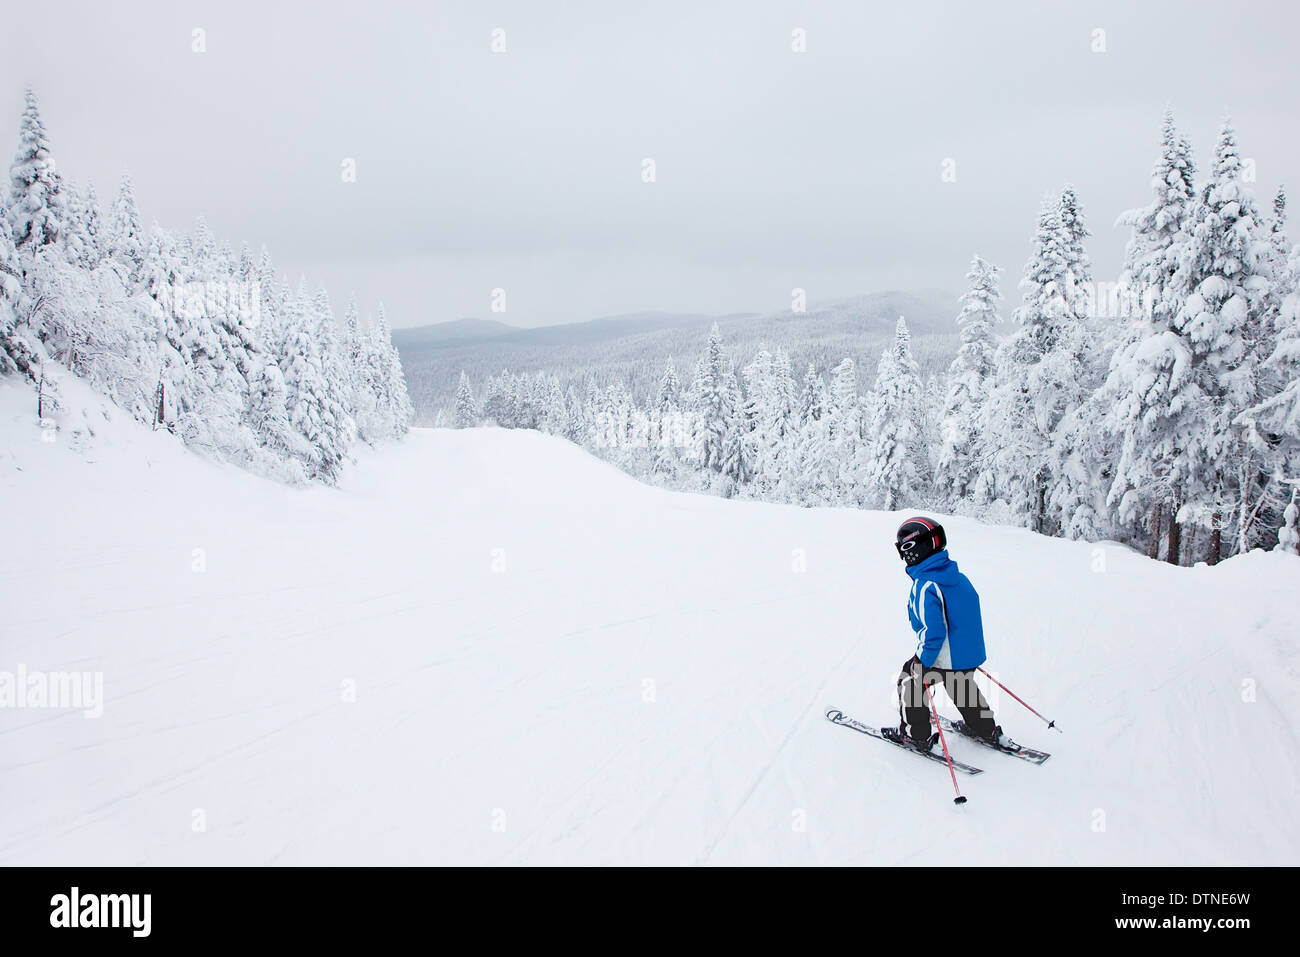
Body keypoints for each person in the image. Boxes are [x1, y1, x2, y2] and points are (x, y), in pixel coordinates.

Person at [884, 517, 1006, 751]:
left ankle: (915, 735)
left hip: (943, 654)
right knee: (960, 683)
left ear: (914, 550)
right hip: (967, 655)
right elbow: (969, 612)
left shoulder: (925, 585)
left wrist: (920, 662)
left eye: (904, 548)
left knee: (910, 681)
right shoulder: (958, 577)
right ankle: (984, 728)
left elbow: (933, 632)